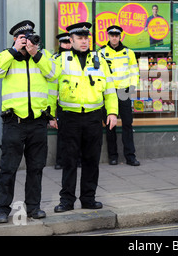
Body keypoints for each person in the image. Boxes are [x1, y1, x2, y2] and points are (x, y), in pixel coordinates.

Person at [0, 20, 61, 223]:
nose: (28, 41)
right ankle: (2, 209)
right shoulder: (7, 56)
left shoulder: (43, 55)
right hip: (15, 122)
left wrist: (35, 54)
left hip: (38, 122)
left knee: (36, 168)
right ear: (16, 39)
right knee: (8, 168)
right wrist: (14, 50)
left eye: (30, 37)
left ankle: (34, 208)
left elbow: (54, 73)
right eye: (23, 38)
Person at [51, 22, 118, 213]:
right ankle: (67, 200)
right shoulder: (60, 60)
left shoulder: (100, 59)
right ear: (70, 40)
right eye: (80, 38)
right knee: (69, 161)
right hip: (69, 118)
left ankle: (88, 198)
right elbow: (50, 90)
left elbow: (110, 90)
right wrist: (50, 114)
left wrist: (112, 112)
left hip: (93, 118)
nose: (84, 41)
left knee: (91, 160)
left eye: (86, 38)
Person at [99, 25, 140, 166]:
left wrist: (132, 88)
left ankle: (130, 156)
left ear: (120, 36)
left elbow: (134, 72)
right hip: (109, 92)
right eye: (112, 35)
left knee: (127, 124)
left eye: (117, 35)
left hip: (124, 92)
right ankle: (113, 156)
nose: (114, 37)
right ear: (108, 36)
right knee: (110, 125)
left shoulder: (129, 53)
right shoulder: (102, 53)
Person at [52, 32, 72, 170]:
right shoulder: (55, 58)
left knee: (77, 134)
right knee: (62, 133)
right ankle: (60, 160)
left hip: (75, 100)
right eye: (64, 43)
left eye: (68, 42)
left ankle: (77, 161)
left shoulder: (77, 58)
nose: (66, 45)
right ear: (60, 44)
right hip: (60, 101)